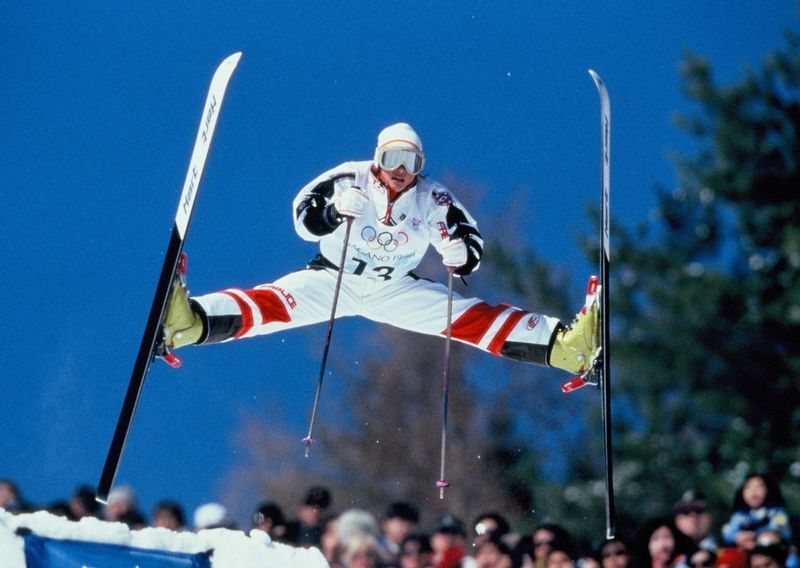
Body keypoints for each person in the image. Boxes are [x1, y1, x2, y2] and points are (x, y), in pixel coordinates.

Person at [160, 122, 600, 379]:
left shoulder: (433, 197)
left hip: (393, 287)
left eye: (411, 163)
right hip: (334, 276)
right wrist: (332, 213)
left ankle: (566, 346)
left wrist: (458, 255)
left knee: (468, 318)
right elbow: (301, 218)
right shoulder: (348, 177)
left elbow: (469, 242)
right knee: (271, 305)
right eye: (392, 159)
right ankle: (188, 323)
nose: (401, 172)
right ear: (377, 158)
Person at [721, 473, 793, 552]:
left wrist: (754, 535)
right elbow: (729, 532)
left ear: (768, 489)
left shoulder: (779, 512)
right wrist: (736, 537)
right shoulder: (739, 514)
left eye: (759, 487)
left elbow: (780, 528)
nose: (753, 492)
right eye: (748, 487)